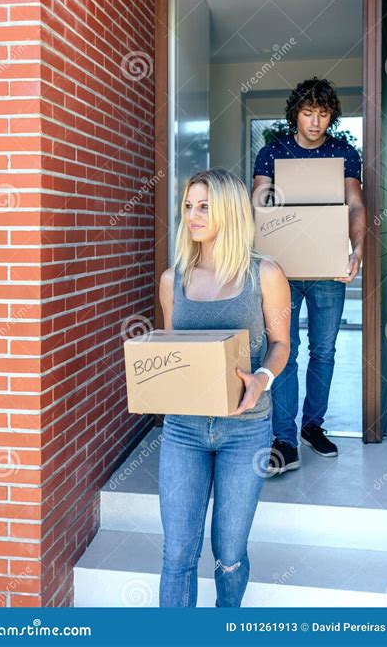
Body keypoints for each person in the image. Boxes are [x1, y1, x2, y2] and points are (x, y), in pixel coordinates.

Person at [158, 168, 290, 607]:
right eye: (188, 206)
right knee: (177, 554)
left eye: (204, 206)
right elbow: (172, 354)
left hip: (246, 429)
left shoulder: (265, 274)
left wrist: (262, 378)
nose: (192, 216)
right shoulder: (172, 280)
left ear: (230, 211)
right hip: (183, 430)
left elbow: (280, 344)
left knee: (228, 553)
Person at [252, 77, 366, 473]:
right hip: (281, 270)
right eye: (307, 112)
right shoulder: (273, 152)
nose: (315, 121)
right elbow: (259, 203)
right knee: (285, 348)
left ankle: (312, 426)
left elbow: (354, 205)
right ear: (295, 114)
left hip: (326, 269)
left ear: (331, 116)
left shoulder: (344, 153)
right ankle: (284, 438)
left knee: (325, 350)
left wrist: (358, 251)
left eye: (322, 113)